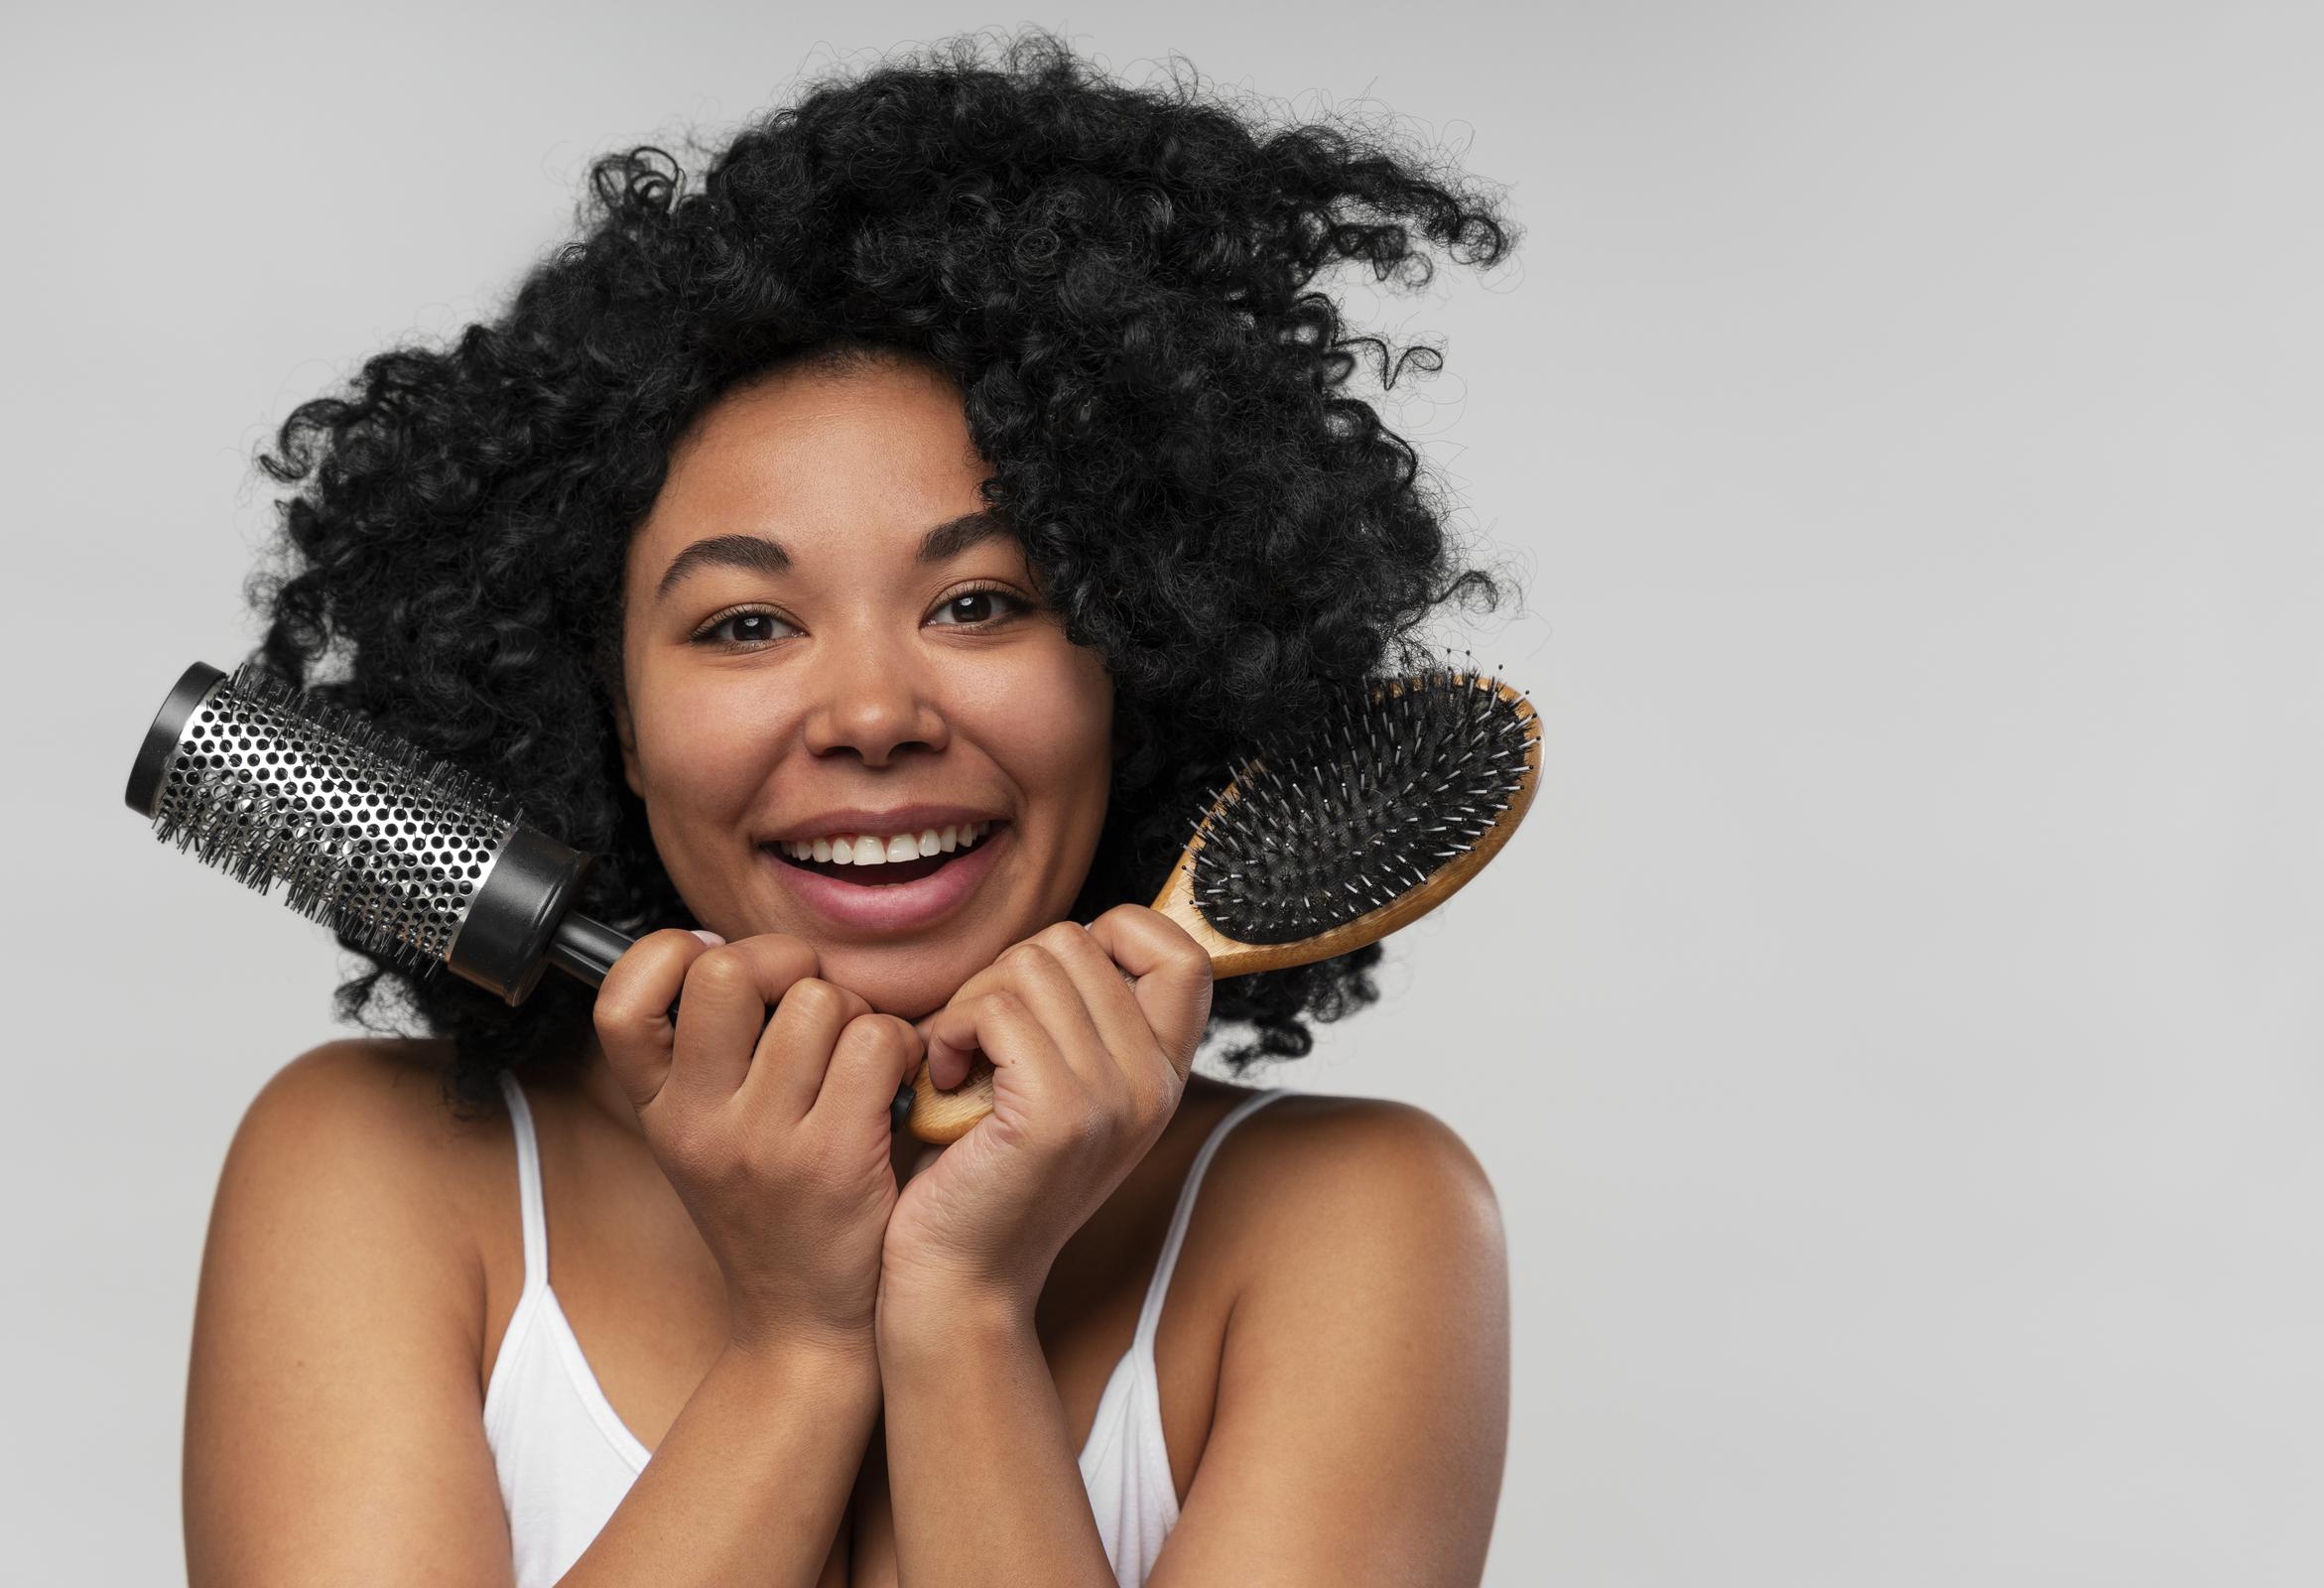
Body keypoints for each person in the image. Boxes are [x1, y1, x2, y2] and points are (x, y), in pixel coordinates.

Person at [184, 29, 1519, 1588]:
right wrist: (802, 1343)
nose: (875, 716)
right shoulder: (371, 1169)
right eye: (746, 624)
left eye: (980, 603)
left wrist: (959, 1307)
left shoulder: (1354, 1222)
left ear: (1139, 658)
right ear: (613, 721)